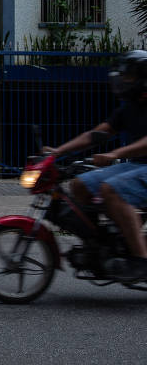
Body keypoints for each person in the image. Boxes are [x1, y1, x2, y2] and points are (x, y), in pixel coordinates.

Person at [44, 50, 147, 281]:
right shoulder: (129, 106)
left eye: (128, 76)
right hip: (137, 166)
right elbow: (97, 134)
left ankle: (141, 260)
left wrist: (115, 153)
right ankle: (101, 244)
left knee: (111, 189)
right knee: (80, 185)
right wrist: (58, 151)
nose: (123, 80)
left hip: (142, 167)